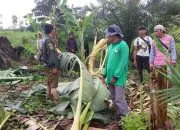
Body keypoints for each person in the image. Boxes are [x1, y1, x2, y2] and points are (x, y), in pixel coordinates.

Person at [149, 24, 176, 129]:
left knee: (167, 82)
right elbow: (152, 52)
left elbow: (172, 49)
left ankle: (166, 97)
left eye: (156, 31)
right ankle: (158, 98)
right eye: (155, 32)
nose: (155, 33)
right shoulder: (154, 40)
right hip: (157, 64)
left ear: (161, 30)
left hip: (167, 63)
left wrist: (173, 60)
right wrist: (151, 63)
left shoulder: (170, 38)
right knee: (157, 83)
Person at [102, 24, 129, 120]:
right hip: (109, 77)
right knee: (113, 97)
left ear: (114, 35)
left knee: (119, 99)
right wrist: (103, 74)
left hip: (118, 78)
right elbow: (106, 61)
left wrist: (116, 76)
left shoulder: (123, 45)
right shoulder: (110, 47)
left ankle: (127, 117)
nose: (107, 37)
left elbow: (123, 62)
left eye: (108, 35)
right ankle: (119, 114)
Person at [42, 23, 61, 101]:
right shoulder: (49, 40)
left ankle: (48, 96)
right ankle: (58, 102)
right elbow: (52, 54)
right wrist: (55, 66)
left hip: (47, 64)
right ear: (51, 30)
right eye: (53, 29)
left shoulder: (44, 39)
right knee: (53, 86)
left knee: (49, 82)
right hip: (51, 65)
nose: (54, 31)